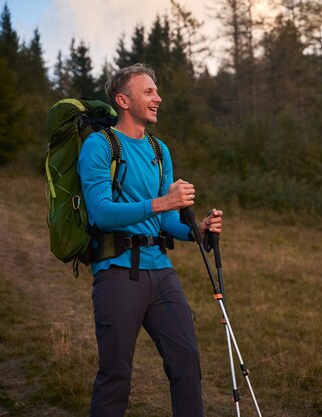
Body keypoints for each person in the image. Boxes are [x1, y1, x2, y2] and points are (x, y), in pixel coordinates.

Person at [78, 63, 222, 417]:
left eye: (156, 91)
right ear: (123, 101)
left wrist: (197, 231)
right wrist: (162, 202)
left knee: (186, 360)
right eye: (149, 92)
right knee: (116, 374)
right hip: (116, 272)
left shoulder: (160, 150)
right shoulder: (99, 145)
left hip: (161, 272)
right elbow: (101, 212)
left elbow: (167, 220)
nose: (158, 98)